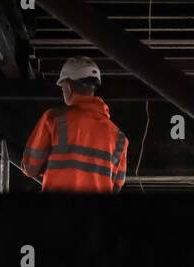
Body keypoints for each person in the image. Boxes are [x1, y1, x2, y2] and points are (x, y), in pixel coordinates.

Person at [21, 57, 128, 192]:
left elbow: (30, 167)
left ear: (68, 86)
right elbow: (117, 185)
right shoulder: (120, 138)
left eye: (62, 87)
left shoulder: (53, 119)